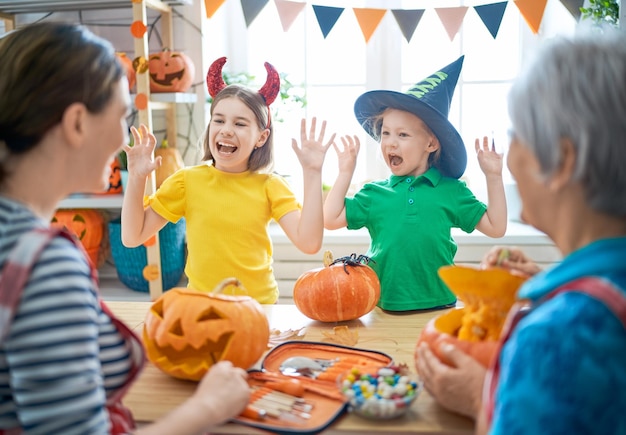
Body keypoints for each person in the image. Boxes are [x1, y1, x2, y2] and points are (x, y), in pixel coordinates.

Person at [0, 22, 250, 434]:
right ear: (77, 123)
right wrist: (208, 407)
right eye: (121, 115)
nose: (124, 136)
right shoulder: (46, 264)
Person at [415, 30, 626, 434]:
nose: (508, 156)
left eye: (516, 136)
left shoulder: (553, 340)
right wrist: (547, 286)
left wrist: (486, 398)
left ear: (562, 161)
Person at [121, 58, 334, 304]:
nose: (226, 130)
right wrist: (137, 178)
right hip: (200, 307)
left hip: (258, 308)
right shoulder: (187, 181)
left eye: (240, 123)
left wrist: (312, 172)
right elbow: (132, 236)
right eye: (219, 120)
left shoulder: (270, 186)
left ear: (261, 137)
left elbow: (309, 243)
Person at [323, 56, 507, 312]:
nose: (390, 143)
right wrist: (345, 171)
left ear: (430, 144)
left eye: (403, 134)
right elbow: (330, 219)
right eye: (385, 133)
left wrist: (494, 177)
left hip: (441, 305)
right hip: (384, 306)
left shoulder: (452, 191)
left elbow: (496, 227)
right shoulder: (374, 194)